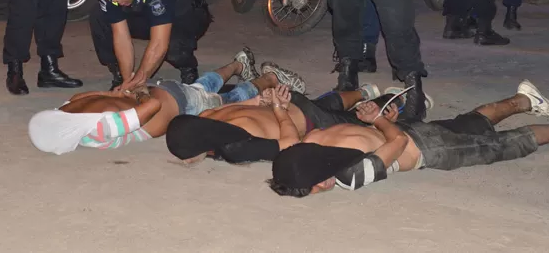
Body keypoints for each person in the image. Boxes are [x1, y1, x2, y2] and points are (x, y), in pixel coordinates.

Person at [267, 80, 549, 197]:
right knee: (470, 123)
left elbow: (396, 145)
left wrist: (378, 120)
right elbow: (285, 134)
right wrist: (280, 110)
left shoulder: (350, 174)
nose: (322, 187)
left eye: (316, 185)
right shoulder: (300, 148)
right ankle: (523, 100)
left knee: (502, 146)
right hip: (404, 132)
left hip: (425, 147)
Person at [28, 48, 306, 154]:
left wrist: (140, 94)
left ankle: (269, 78)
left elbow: (151, 107)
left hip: (177, 105)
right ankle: (237, 64)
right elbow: (103, 95)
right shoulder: (69, 106)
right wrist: (125, 94)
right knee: (200, 87)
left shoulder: (98, 128)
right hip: (168, 90)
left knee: (228, 101)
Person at [166, 80, 387, 165]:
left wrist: (278, 108)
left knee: (369, 120)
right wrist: (258, 101)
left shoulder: (235, 146)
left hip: (307, 120)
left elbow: (290, 143)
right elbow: (220, 108)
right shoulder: (206, 116)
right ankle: (363, 92)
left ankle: (395, 101)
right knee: (322, 104)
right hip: (293, 102)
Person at [91, 0, 212, 90]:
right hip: (149, 11)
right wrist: (127, 80)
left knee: (172, 45)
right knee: (99, 15)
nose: (115, 0)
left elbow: (159, 44)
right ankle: (118, 74)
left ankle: (188, 67)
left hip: (188, 14)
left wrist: (138, 81)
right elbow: (121, 36)